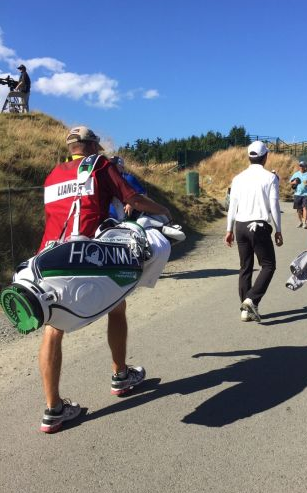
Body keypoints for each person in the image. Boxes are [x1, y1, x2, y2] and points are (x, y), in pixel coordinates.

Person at [38, 126, 172, 433]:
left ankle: (53, 409)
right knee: (117, 305)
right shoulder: (99, 165)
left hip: (51, 256)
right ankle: (120, 375)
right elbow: (132, 198)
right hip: (88, 254)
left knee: (53, 328)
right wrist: (163, 210)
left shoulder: (53, 174)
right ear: (92, 145)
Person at [225, 141, 283, 322]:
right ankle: (251, 299)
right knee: (268, 265)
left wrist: (229, 229)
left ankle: (245, 311)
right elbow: (274, 206)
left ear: (249, 157)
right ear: (265, 157)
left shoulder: (238, 178)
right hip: (258, 226)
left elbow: (232, 206)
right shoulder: (270, 177)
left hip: (240, 226)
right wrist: (278, 229)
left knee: (245, 267)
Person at [109, 156, 147, 220]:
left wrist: (132, 204)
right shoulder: (107, 179)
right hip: (108, 218)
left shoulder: (129, 179)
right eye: (110, 166)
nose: (111, 168)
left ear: (122, 167)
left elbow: (144, 195)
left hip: (123, 220)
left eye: (114, 166)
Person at [290, 161, 307, 229]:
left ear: (305, 167)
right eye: (300, 166)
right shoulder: (296, 174)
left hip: (306, 194)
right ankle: (300, 221)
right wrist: (294, 182)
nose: (301, 167)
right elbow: (290, 182)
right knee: (298, 209)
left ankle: (304, 223)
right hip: (297, 194)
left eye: (302, 166)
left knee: (305, 208)